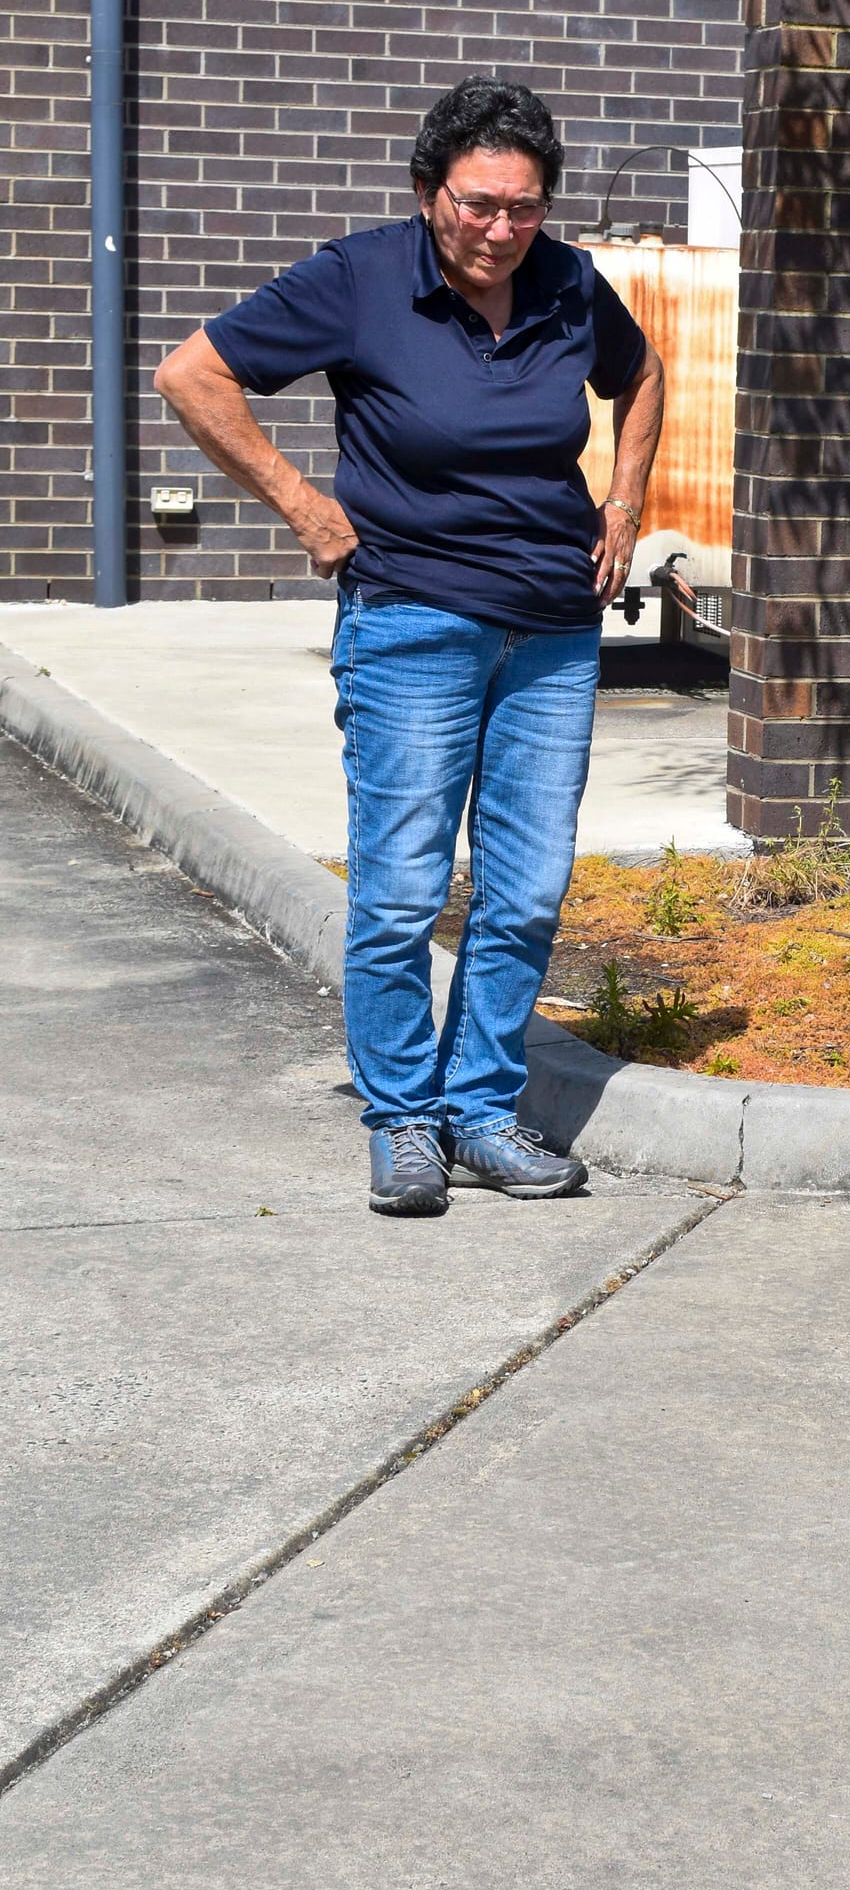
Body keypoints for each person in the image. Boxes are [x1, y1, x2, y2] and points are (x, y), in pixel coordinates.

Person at [155, 78, 665, 1219]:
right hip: (411, 623)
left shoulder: (570, 281)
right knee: (400, 892)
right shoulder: (360, 279)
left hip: (552, 630)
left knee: (526, 891)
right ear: (430, 190)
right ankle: (402, 1120)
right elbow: (192, 373)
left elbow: (639, 376)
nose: (501, 230)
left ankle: (481, 1112)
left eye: (524, 208)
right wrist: (302, 506)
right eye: (479, 204)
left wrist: (625, 503)